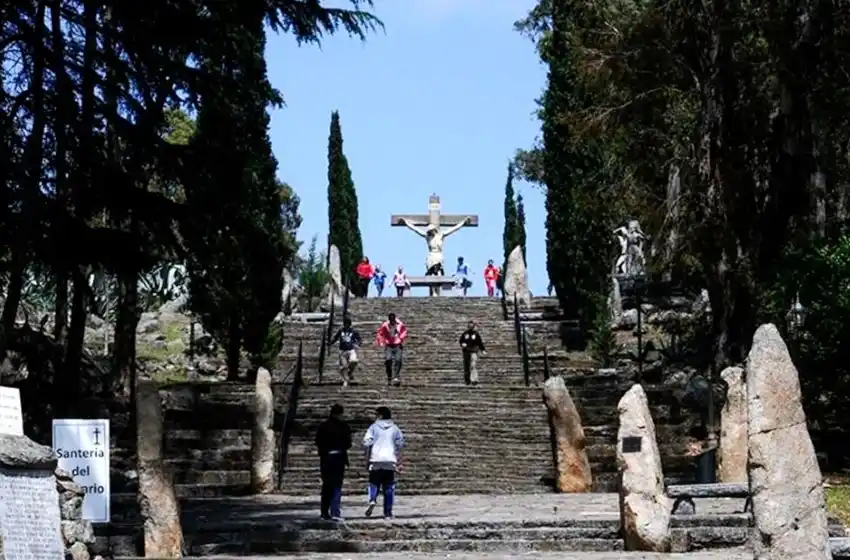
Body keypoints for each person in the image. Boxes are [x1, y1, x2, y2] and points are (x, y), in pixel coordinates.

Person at [362, 406, 405, 519]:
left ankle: (372, 499)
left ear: (380, 415)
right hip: (389, 460)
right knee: (389, 487)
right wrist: (399, 461)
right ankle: (388, 513)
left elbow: (367, 443)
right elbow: (400, 444)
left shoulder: (373, 427)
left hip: (376, 459)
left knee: (373, 482)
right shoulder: (395, 428)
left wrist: (367, 458)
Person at [315, 403, 352, 520]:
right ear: (340, 414)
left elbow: (318, 441)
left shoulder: (323, 426)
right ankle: (335, 511)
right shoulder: (344, 427)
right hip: (339, 457)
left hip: (326, 458)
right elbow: (348, 443)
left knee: (326, 485)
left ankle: (324, 512)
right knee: (336, 485)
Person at [376, 312, 407, 386]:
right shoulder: (385, 325)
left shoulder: (400, 324)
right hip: (389, 345)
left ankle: (396, 376)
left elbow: (404, 331)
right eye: (391, 320)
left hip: (397, 344)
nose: (392, 322)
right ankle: (389, 375)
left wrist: (401, 338)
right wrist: (381, 342)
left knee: (398, 359)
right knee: (388, 359)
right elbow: (380, 333)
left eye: (393, 320)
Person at [330, 315, 361, 387]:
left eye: (347, 324)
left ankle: (350, 372)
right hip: (342, 351)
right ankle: (345, 380)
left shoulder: (353, 331)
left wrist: (358, 344)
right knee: (344, 366)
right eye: (345, 324)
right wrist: (330, 343)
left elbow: (359, 338)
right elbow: (335, 338)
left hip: (351, 350)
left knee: (354, 361)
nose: (346, 325)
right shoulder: (341, 331)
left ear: (349, 324)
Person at [458, 320, 486, 385]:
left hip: (473, 351)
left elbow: (480, 343)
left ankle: (474, 379)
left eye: (472, 326)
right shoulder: (465, 333)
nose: (470, 327)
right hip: (466, 352)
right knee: (466, 366)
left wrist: (483, 350)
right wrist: (462, 344)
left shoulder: (476, 334)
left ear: (473, 326)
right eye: (469, 326)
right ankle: (467, 380)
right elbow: (461, 341)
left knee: (473, 365)